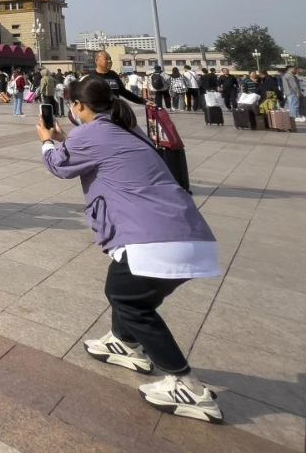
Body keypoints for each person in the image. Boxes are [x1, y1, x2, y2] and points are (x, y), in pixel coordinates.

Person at [37, 77, 223, 423]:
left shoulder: (90, 134)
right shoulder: (128, 129)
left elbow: (59, 166)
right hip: (186, 232)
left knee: (128, 299)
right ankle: (123, 341)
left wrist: (48, 143)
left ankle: (186, 384)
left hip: (156, 239)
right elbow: (92, 153)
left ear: (78, 106)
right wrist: (66, 141)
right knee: (124, 284)